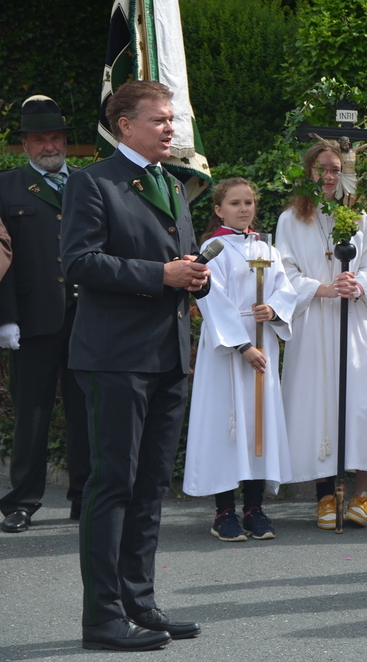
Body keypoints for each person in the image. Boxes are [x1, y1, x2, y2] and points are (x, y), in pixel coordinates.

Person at [61, 80, 209, 651]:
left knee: (150, 487)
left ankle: (138, 604)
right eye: (159, 119)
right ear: (124, 125)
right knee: (113, 484)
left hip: (167, 356)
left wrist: (196, 276)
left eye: (172, 119)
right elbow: (79, 262)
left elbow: (177, 260)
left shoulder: (172, 183)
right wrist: (160, 275)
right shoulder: (93, 182)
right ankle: (101, 618)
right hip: (115, 356)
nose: (170, 128)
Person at [276, 140, 367, 529]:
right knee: (317, 404)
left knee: (360, 403)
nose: (329, 176)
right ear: (308, 172)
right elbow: (284, 273)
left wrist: (357, 284)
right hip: (313, 321)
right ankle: (325, 495)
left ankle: (363, 493)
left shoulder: (358, 217)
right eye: (322, 169)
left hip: (352, 321)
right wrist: (323, 289)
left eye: (335, 170)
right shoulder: (291, 220)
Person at [182, 178, 296, 542]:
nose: (244, 208)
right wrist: (243, 345)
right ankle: (224, 512)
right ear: (219, 210)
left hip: (263, 343)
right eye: (235, 203)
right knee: (227, 426)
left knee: (258, 423)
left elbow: (285, 289)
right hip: (228, 349)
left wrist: (273, 309)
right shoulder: (213, 248)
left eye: (248, 202)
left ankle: (253, 508)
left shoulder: (266, 247)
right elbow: (211, 298)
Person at [0, 95, 90, 532]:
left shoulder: (88, 183)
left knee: (86, 410)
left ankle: (85, 496)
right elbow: (2, 258)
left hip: (86, 316)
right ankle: (22, 501)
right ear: (24, 145)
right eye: (39, 139)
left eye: (55, 137)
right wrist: (6, 317)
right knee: (32, 413)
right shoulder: (6, 187)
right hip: (32, 318)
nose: (49, 146)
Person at [336, 134, 367, 207]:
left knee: (352, 196)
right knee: (347, 195)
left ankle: (349, 210)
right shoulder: (340, 152)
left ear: (348, 143)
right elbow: (327, 144)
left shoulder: (354, 150)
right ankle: (345, 209)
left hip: (352, 175)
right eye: (342, 144)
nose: (344, 146)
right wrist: (317, 136)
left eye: (345, 144)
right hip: (345, 176)